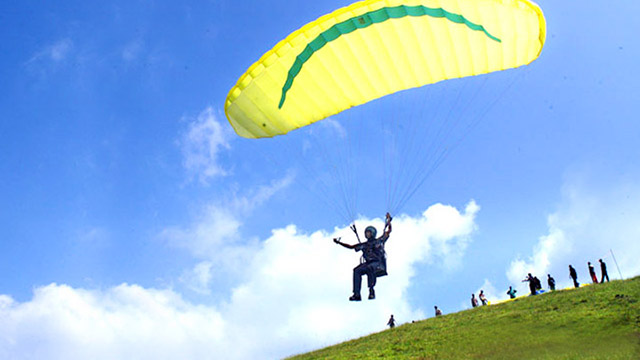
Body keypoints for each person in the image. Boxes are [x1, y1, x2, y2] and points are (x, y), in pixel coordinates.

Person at [334, 213, 392, 301]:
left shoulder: (379, 241)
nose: (367, 234)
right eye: (366, 233)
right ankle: (357, 294)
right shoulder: (364, 245)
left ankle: (371, 290)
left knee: (370, 268)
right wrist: (339, 242)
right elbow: (351, 246)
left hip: (377, 263)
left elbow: (388, 231)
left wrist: (389, 221)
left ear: (372, 233)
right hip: (368, 263)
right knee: (357, 270)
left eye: (368, 233)